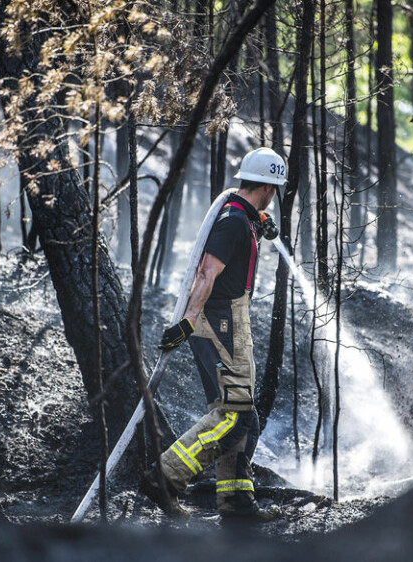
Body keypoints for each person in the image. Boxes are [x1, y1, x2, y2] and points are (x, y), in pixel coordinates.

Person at [139, 147, 285, 523]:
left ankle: (235, 503)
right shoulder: (233, 221)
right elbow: (206, 272)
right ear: (268, 186)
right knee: (234, 417)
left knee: (242, 417)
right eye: (274, 188)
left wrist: (260, 223)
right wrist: (187, 321)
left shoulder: (241, 217)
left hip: (229, 321)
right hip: (222, 323)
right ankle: (165, 475)